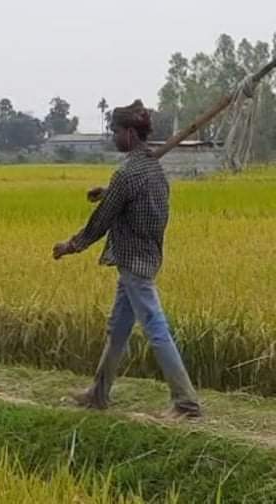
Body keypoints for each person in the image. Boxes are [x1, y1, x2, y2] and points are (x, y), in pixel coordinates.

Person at [53, 100, 201, 419]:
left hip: (133, 261)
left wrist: (70, 246)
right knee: (118, 328)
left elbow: (100, 222)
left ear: (130, 134)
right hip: (145, 254)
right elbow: (133, 197)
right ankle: (99, 393)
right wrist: (109, 191)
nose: (113, 137)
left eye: (116, 131)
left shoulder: (127, 172)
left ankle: (186, 403)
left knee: (155, 327)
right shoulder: (151, 167)